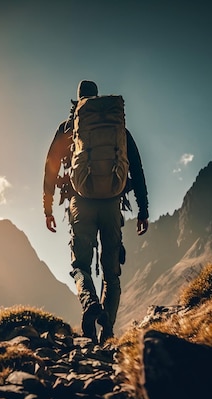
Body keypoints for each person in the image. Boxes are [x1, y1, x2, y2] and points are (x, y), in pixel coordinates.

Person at [42, 80, 149, 344]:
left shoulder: (68, 128)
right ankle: (108, 330)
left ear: (78, 101)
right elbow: (136, 168)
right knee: (111, 273)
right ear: (97, 98)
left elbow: (50, 168)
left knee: (80, 264)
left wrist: (47, 207)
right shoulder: (117, 128)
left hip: (80, 203)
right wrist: (143, 209)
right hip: (113, 203)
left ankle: (89, 303)